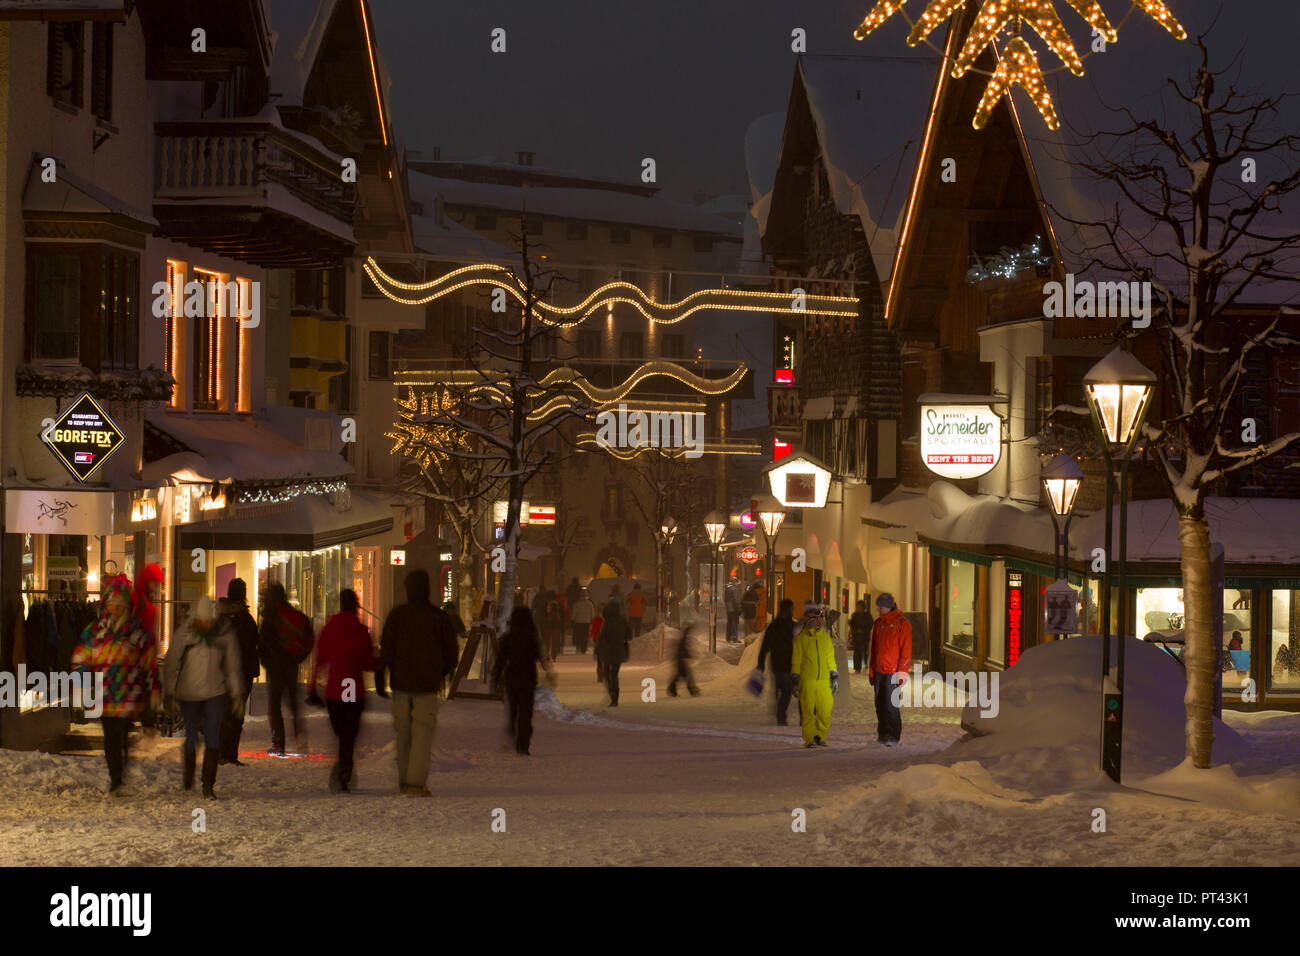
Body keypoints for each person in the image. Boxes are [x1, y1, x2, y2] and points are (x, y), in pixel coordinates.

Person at [71, 575, 160, 794]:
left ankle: (119, 775)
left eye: (121, 605)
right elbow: (81, 658)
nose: (116, 609)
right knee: (111, 738)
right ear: (106, 606)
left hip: (129, 694)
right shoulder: (96, 631)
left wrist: (154, 691)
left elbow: (148, 665)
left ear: (128, 607)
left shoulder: (138, 633)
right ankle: (116, 779)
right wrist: (80, 688)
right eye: (112, 604)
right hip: (105, 695)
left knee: (121, 737)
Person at [375, 569, 460, 796]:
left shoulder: (397, 616)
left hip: (401, 683)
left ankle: (404, 780)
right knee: (422, 733)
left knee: (403, 733)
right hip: (427, 685)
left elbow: (387, 648)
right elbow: (451, 651)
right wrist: (443, 672)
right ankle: (415, 783)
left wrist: (381, 674)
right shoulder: (438, 618)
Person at [164, 596, 244, 798]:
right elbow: (171, 664)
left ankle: (208, 785)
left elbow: (233, 667)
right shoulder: (184, 634)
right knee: (191, 736)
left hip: (215, 693)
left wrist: (236, 695)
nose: (207, 625)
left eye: (210, 621)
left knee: (212, 737)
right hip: (188, 693)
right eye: (204, 621)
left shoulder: (224, 635)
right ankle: (189, 775)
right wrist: (169, 693)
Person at [307, 590, 375, 793]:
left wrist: (312, 687)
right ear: (355, 606)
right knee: (348, 733)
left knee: (342, 732)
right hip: (352, 686)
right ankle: (344, 770)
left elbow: (320, 658)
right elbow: (368, 661)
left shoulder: (330, 627)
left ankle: (343, 767)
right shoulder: (361, 631)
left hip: (335, 689)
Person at [257, 583, 310, 756]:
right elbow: (308, 638)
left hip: (276, 666)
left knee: (275, 705)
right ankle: (300, 740)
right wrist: (299, 657)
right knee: (294, 704)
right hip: (291, 664)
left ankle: (279, 744)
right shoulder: (295, 615)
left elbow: (263, 643)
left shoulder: (271, 616)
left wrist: (267, 662)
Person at [492, 607, 545, 755]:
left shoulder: (508, 638)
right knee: (526, 712)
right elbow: (538, 657)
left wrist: (495, 678)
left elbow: (500, 660)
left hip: (512, 677)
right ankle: (523, 745)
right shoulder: (532, 638)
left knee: (514, 710)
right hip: (528, 678)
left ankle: (512, 732)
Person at [219, 578, 260, 766]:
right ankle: (230, 753)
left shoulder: (221, 618)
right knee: (236, 714)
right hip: (242, 673)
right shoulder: (246, 619)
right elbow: (253, 644)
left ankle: (222, 753)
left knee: (224, 712)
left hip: (224, 672)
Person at [868, 593, 912, 747]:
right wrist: (872, 671)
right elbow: (874, 650)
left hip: (892, 672)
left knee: (890, 705)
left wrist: (901, 674)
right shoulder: (878, 623)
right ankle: (883, 734)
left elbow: (905, 651)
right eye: (878, 606)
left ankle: (893, 736)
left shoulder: (902, 624)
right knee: (879, 704)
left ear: (889, 605)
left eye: (881, 606)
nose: (878, 608)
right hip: (879, 671)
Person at [791, 603, 837, 748]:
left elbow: (830, 657)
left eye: (821, 619)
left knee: (825, 711)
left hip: (824, 681)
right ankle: (810, 739)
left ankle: (820, 736)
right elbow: (796, 661)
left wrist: (834, 675)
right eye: (816, 619)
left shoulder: (825, 638)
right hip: (807, 681)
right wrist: (795, 679)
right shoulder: (800, 639)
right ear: (809, 620)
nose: (819, 622)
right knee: (808, 713)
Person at [757, 598, 797, 725]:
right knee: (786, 689)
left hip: (775, 663)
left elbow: (765, 646)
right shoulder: (792, 626)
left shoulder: (773, 626)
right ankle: (780, 714)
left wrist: (761, 662)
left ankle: (779, 712)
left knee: (780, 687)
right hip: (787, 663)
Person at [595, 599, 631, 706]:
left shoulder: (607, 621)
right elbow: (630, 635)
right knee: (615, 674)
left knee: (607, 674)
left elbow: (601, 637)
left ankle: (612, 693)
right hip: (619, 650)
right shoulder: (623, 620)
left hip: (607, 651)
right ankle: (615, 695)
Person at [666, 625, 700, 697]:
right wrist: (689, 655)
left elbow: (683, 650)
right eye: (690, 631)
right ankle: (692, 691)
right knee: (687, 676)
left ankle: (672, 690)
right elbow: (682, 650)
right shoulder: (683, 639)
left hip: (680, 660)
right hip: (681, 661)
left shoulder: (683, 638)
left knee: (681, 676)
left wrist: (689, 655)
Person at [848, 599, 873, 676]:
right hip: (857, 637)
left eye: (859, 607)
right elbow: (852, 624)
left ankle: (866, 664)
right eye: (857, 607)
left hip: (865, 636)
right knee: (857, 652)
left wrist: (863, 630)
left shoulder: (867, 616)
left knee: (865, 652)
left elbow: (870, 624)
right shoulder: (854, 615)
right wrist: (856, 629)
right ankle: (857, 667)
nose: (858, 608)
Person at [570, 587, 594, 654]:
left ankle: (579, 646)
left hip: (578, 622)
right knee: (585, 635)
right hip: (587, 622)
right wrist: (592, 619)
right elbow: (592, 613)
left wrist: (572, 620)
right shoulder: (590, 604)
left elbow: (574, 613)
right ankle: (584, 648)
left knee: (579, 635)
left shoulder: (577, 603)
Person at [589, 607, 605, 682]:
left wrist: (591, 636)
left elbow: (593, 630)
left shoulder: (596, 620)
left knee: (600, 659)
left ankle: (600, 677)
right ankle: (602, 676)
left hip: (599, 640)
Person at [724, 576, 742, 642]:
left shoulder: (727, 589)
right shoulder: (735, 589)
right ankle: (735, 638)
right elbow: (736, 600)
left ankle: (728, 638)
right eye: (737, 582)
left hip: (729, 609)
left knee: (729, 623)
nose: (737, 584)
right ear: (734, 582)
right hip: (734, 609)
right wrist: (739, 608)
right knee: (735, 623)